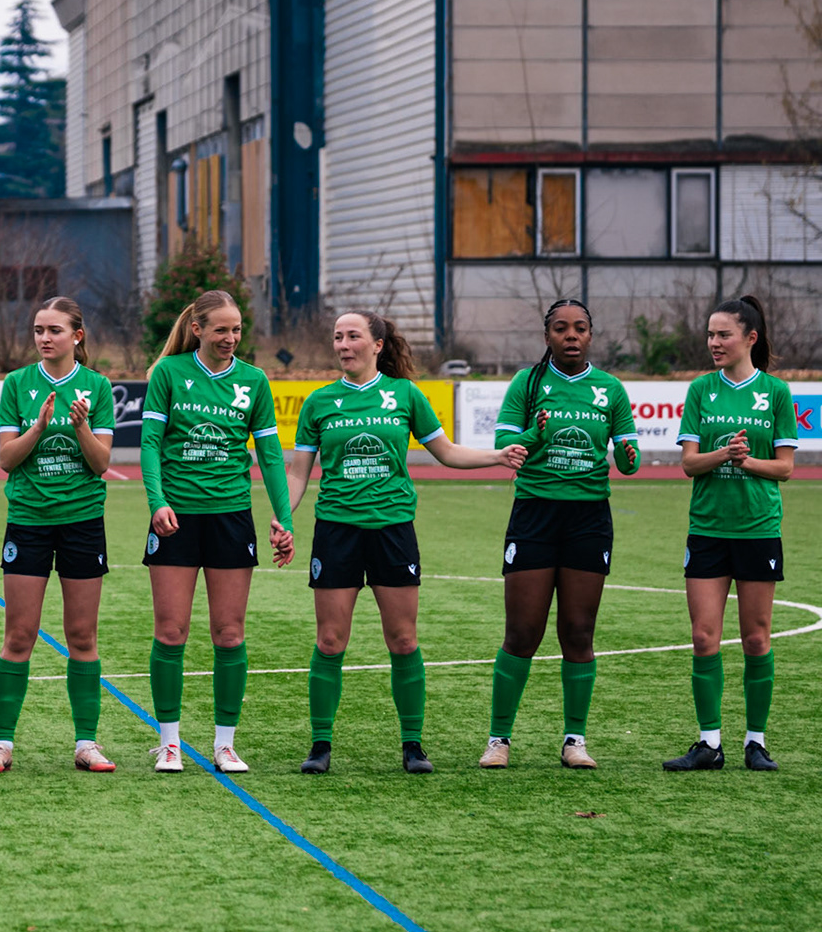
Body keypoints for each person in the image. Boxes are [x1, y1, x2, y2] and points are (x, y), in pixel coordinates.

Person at [285, 310, 526, 775]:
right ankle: (320, 746)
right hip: (337, 530)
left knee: (403, 639)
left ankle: (413, 745)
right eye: (337, 337)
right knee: (330, 641)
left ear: (377, 344)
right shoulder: (319, 402)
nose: (343, 344)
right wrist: (283, 516)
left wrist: (496, 455)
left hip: (394, 529)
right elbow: (298, 473)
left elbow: (447, 452)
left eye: (353, 336)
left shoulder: (405, 395)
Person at [138, 290, 295, 775]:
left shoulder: (253, 380)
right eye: (221, 329)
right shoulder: (169, 373)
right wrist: (158, 501)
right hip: (176, 518)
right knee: (171, 631)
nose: (230, 338)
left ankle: (225, 744)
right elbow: (149, 443)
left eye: (237, 330)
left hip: (231, 517)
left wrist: (284, 518)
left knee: (229, 634)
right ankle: (169, 743)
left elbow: (270, 456)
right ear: (199, 329)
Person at [482, 299, 640, 770]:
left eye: (580, 328)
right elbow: (505, 449)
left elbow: (628, 453)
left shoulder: (610, 389)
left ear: (591, 335)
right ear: (546, 335)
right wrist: (534, 433)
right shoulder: (527, 384)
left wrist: (628, 455)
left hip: (589, 519)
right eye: (560, 329)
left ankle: (575, 741)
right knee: (523, 632)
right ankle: (499, 739)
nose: (571, 336)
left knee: (578, 631)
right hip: (535, 515)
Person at [0, 297, 119, 774]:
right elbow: (5, 459)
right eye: (38, 329)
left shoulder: (97, 387)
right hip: (29, 521)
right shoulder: (17, 384)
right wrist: (38, 425)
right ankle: (2, 744)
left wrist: (81, 428)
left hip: (82, 521)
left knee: (82, 634)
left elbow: (101, 464)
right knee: (19, 635)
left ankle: (86, 743)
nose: (44, 337)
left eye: (54, 330)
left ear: (76, 336)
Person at [666, 294, 795, 773]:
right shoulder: (701, 389)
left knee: (757, 639)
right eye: (710, 334)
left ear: (750, 338)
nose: (713, 342)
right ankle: (709, 743)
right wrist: (723, 456)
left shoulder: (776, 393)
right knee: (704, 638)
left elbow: (784, 469)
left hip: (759, 529)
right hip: (708, 530)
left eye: (723, 334)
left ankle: (756, 743)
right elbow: (688, 464)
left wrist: (747, 461)